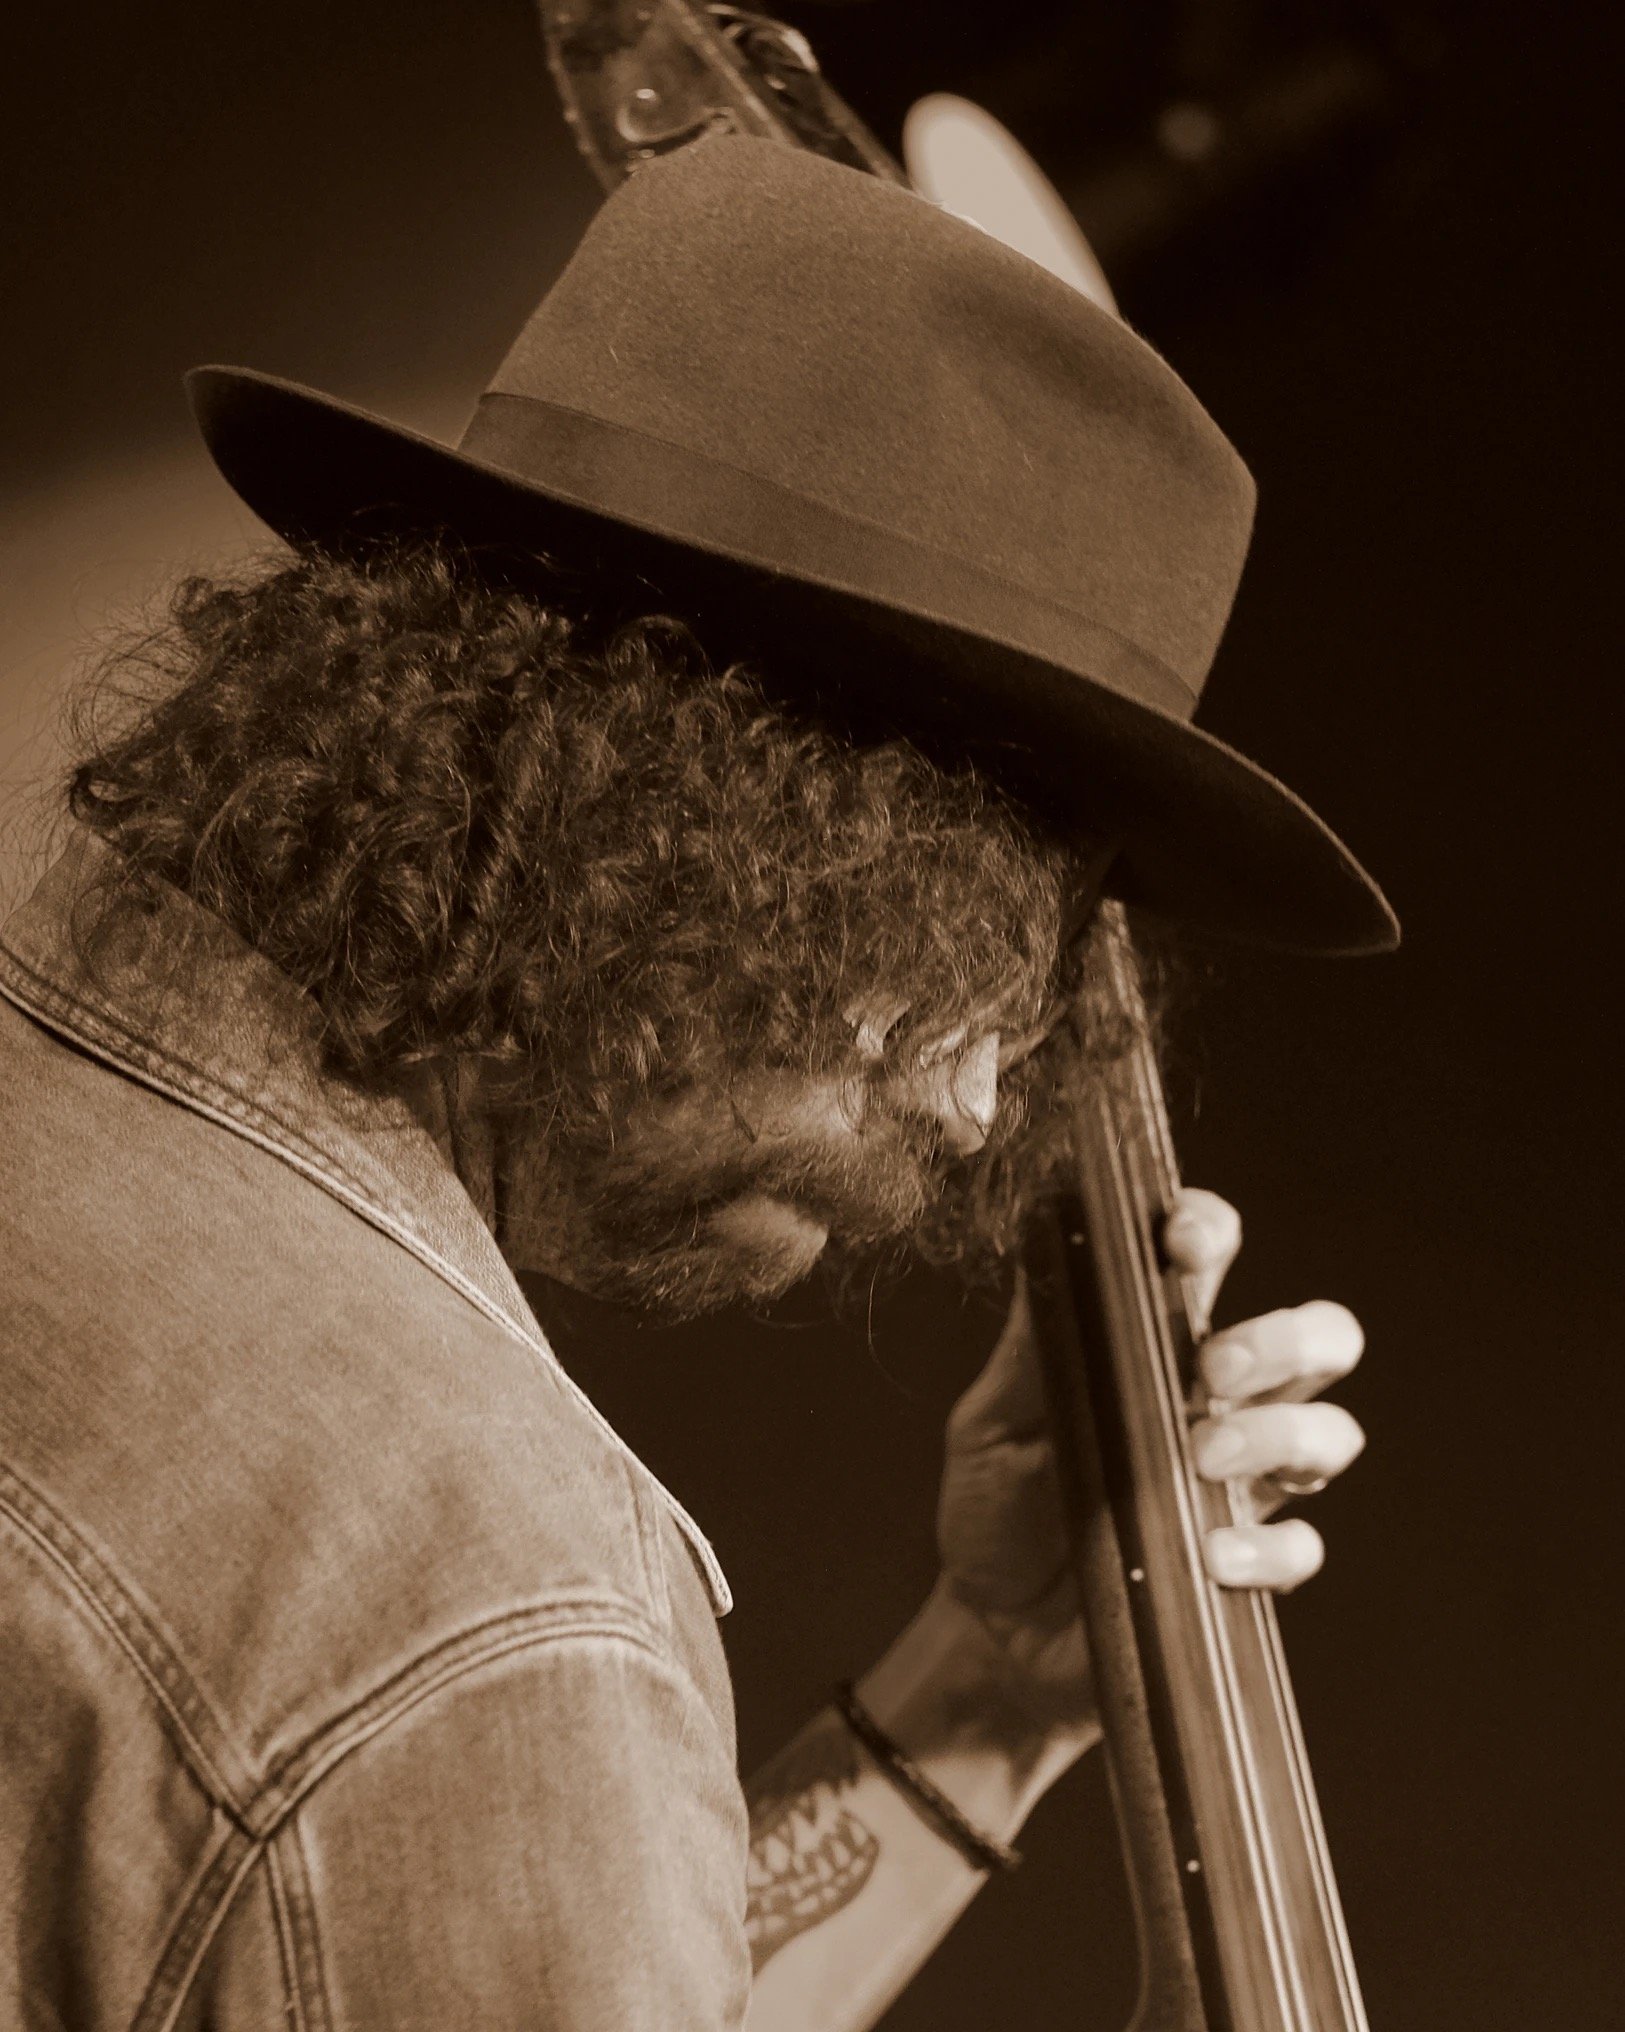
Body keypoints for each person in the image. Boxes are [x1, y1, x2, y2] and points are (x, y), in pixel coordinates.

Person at [0, 137, 1394, 2030]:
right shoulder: (484, 1605)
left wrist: (981, 1692)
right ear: (702, 819)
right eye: (967, 941)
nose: (988, 1099)